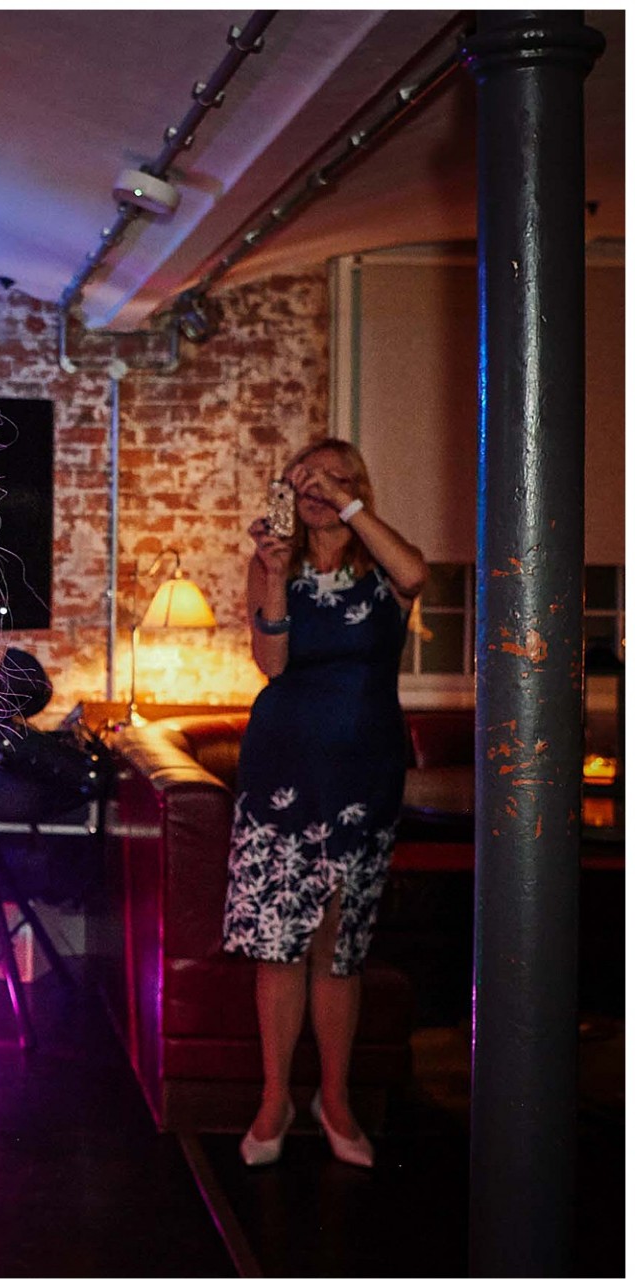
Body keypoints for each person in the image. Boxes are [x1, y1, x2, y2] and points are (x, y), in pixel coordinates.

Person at [222, 438, 426, 1169]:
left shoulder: (383, 571)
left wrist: (348, 505)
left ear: (355, 488)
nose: (313, 492)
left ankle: (333, 1098)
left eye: (331, 480)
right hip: (283, 774)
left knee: (341, 946)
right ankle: (275, 1097)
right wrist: (275, 575)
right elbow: (271, 664)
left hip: (363, 777)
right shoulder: (278, 563)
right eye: (301, 480)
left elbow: (416, 571)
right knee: (279, 943)